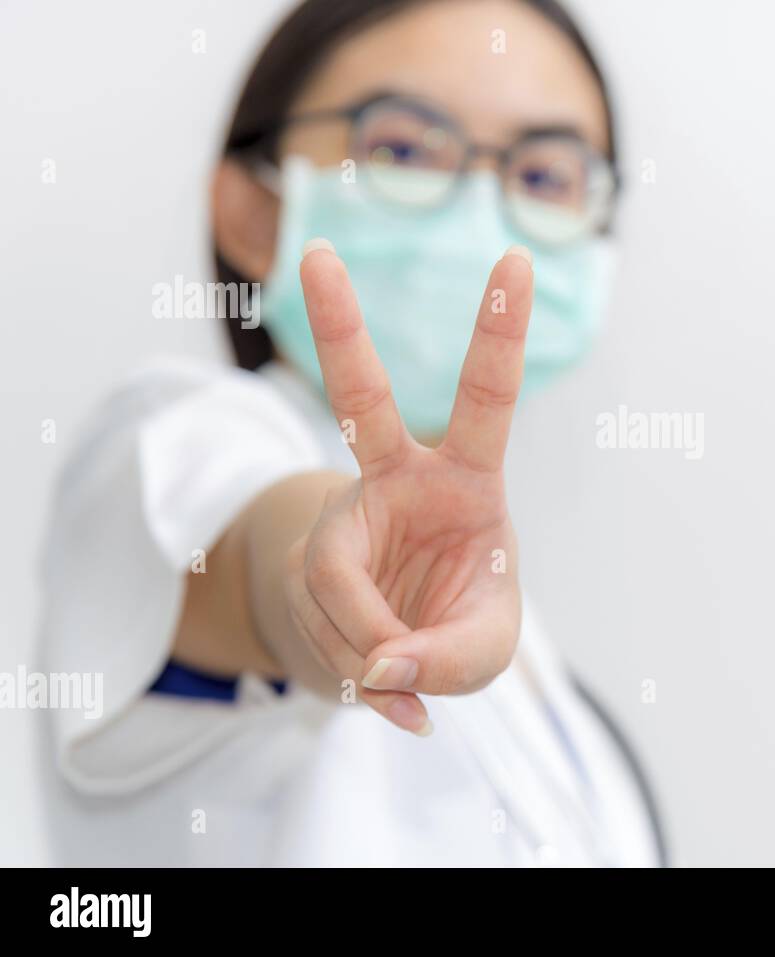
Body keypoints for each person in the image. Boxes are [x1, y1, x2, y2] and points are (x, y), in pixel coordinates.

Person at [38, 0, 664, 867]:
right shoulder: (178, 438)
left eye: (548, 174)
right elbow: (270, 557)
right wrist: (319, 569)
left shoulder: (546, 684)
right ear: (252, 214)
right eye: (402, 149)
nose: (481, 206)